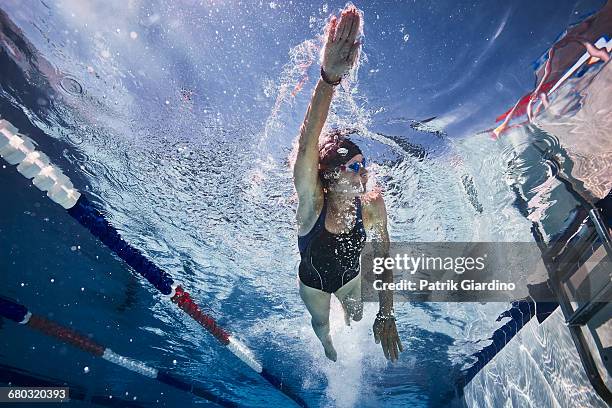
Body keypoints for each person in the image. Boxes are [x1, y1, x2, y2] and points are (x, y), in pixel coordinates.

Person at [292, 5, 403, 362]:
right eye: (354, 167)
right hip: (313, 282)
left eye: (364, 164)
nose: (364, 173)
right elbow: (307, 144)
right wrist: (328, 80)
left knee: (356, 315)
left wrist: (387, 312)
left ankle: (351, 320)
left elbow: (385, 258)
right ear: (330, 174)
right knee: (321, 323)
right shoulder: (312, 204)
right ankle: (326, 343)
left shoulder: (371, 206)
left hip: (350, 278)